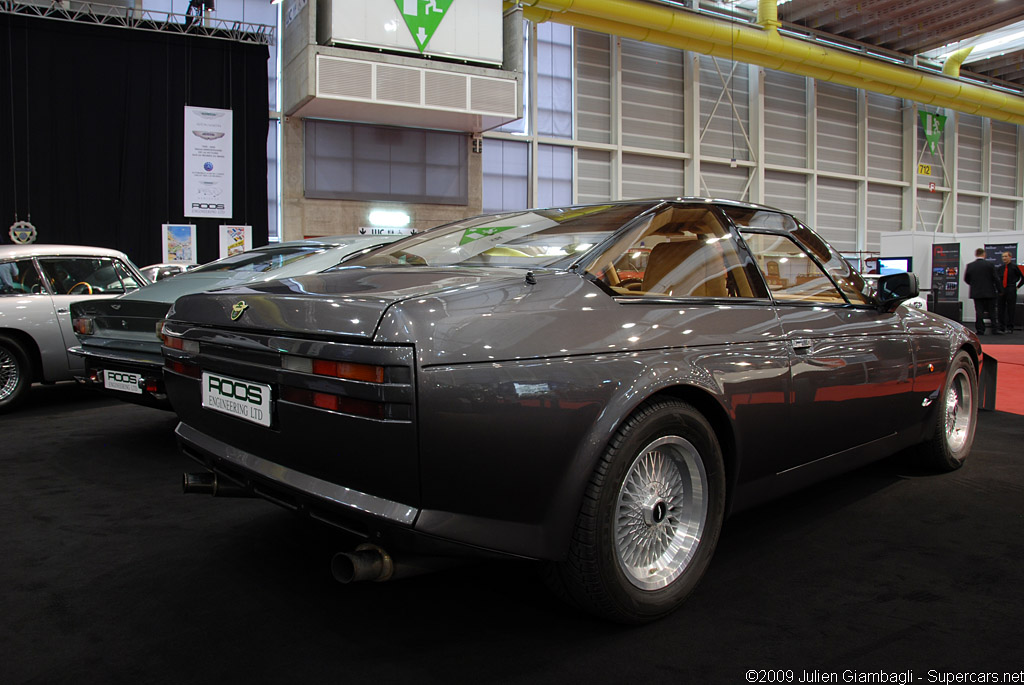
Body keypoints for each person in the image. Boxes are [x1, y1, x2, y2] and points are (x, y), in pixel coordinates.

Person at [964, 247, 1002, 336]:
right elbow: (996, 278)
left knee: (979, 312)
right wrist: (1000, 290)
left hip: (976, 292)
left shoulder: (970, 265)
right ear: (984, 254)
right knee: (992, 311)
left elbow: (966, 279)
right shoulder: (990, 265)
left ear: (975, 254)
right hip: (990, 292)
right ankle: (995, 329)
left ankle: (980, 330)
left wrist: (974, 285)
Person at [997, 251, 1023, 333]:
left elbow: (1023, 278)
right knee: (1001, 309)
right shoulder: (1000, 268)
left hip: (1011, 289)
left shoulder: (1015, 267)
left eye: (1006, 256)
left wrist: (1017, 287)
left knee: (1011, 309)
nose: (1004, 258)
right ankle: (1001, 327)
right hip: (1002, 290)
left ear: (1010, 257)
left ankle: (1010, 327)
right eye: (1003, 257)